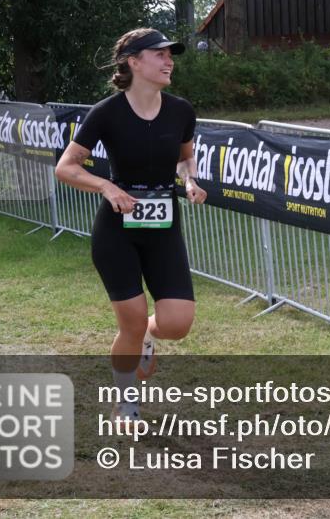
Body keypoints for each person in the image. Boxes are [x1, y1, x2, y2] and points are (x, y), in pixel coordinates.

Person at [55, 28, 208, 426]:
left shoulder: (181, 111)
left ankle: (145, 337)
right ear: (133, 62)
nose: (168, 60)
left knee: (176, 324)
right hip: (117, 231)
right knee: (131, 318)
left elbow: (185, 158)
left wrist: (190, 180)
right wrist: (106, 186)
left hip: (164, 226)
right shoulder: (106, 112)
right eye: (158, 54)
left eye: (170, 54)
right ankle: (126, 403)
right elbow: (65, 167)